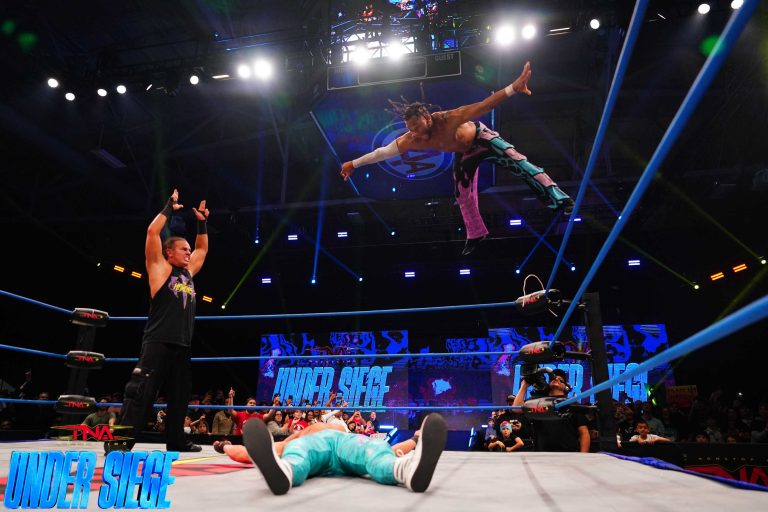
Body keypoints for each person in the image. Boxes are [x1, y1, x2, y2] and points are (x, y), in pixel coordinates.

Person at [340, 62, 573, 255]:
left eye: (417, 125)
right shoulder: (410, 139)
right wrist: (354, 163)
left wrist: (513, 88)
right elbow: (381, 153)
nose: (415, 132)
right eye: (411, 128)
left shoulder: (449, 119)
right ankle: (476, 234)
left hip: (482, 138)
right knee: (462, 193)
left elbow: (485, 105)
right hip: (465, 153)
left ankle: (562, 201)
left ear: (427, 117)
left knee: (520, 163)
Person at [108, 189, 209, 453]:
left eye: (188, 250)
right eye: (183, 249)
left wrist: (202, 223)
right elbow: (152, 232)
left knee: (180, 397)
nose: (188, 253)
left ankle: (176, 441)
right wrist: (168, 208)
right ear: (169, 252)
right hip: (158, 342)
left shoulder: (188, 273)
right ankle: (119, 443)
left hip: (182, 344)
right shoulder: (160, 269)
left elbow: (202, 248)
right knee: (140, 393)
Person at [241, 413, 447, 495]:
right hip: (318, 444)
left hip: (345, 443)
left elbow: (392, 450)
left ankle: (406, 469)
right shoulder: (300, 434)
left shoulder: (342, 426)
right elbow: (245, 452)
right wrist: (229, 447)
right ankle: (285, 471)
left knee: (376, 450)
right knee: (296, 450)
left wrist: (415, 440)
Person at [512, 369, 590, 452]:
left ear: (566, 387)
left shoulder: (572, 404)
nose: (556, 379)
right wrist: (524, 385)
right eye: (553, 378)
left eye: (560, 380)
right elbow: (516, 408)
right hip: (542, 454)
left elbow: (584, 432)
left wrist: (583, 456)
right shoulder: (537, 401)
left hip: (568, 453)